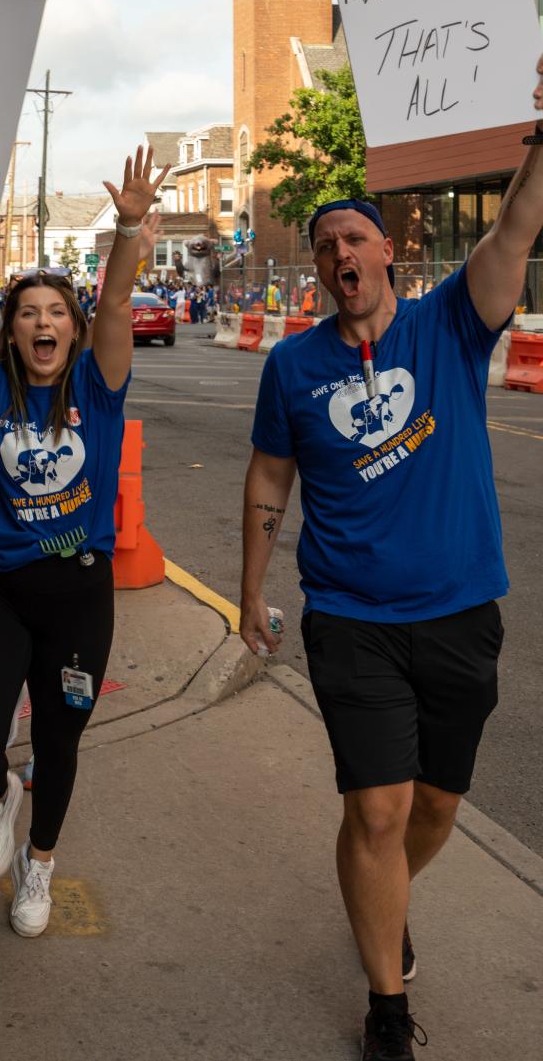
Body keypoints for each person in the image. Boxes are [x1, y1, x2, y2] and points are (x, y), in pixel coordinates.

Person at [239, 54, 543, 1061]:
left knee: (437, 805)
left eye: (353, 237)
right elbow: (269, 485)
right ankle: (386, 1007)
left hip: (460, 610)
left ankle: (388, 896)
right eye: (324, 245)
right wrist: (248, 592)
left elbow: (513, 230)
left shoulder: (447, 324)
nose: (337, 254)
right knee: (375, 803)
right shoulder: (292, 365)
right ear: (320, 269)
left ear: (390, 254)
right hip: (352, 616)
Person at [0, 146, 168, 938]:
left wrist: (124, 227)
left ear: (72, 330)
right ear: (11, 333)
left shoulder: (97, 384)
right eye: (28, 313)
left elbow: (116, 304)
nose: (43, 323)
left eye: (55, 313)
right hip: (0, 587)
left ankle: (38, 862)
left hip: (78, 597)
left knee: (59, 736)